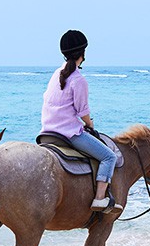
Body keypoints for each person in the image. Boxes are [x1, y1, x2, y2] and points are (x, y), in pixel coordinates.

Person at [41, 29, 122, 212]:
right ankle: (100, 199)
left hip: (47, 130)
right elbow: (83, 112)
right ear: (83, 53)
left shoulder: (57, 73)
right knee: (109, 156)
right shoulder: (78, 79)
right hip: (68, 133)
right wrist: (89, 124)